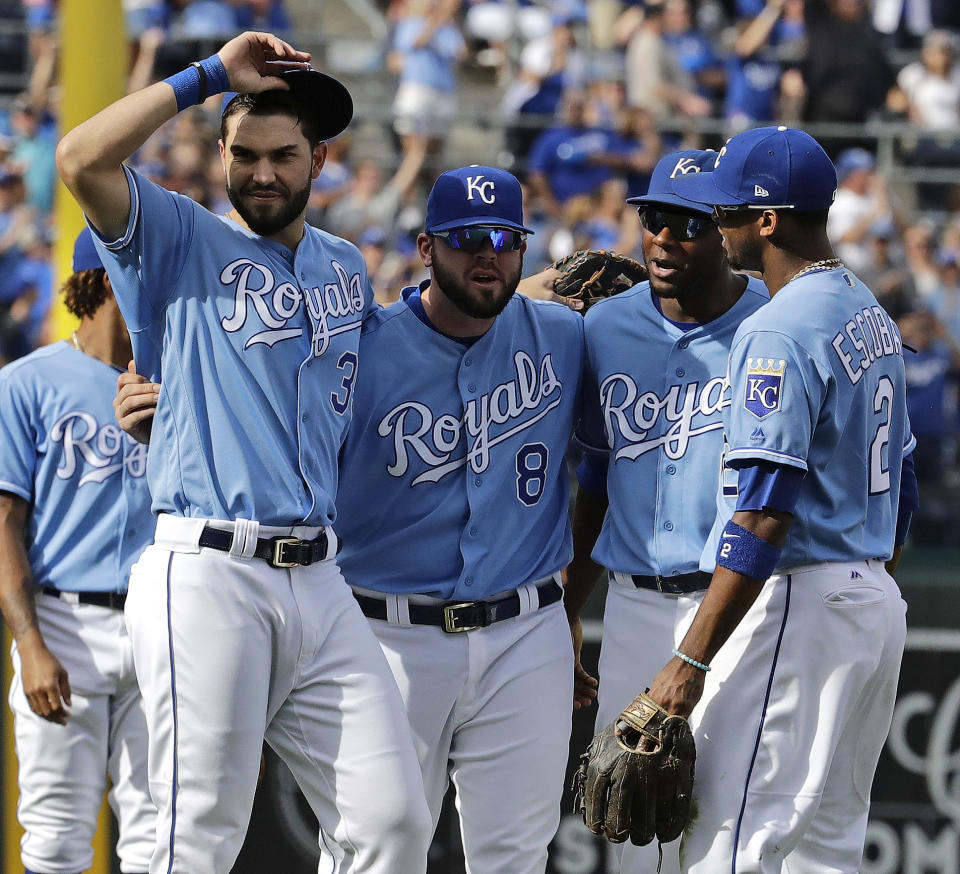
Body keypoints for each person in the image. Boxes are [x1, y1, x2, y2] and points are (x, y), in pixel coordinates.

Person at [55, 31, 431, 874]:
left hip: (320, 578)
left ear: (320, 159)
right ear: (219, 152)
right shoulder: (181, 238)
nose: (264, 172)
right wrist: (207, 79)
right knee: (193, 838)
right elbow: (81, 158)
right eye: (246, 154)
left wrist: (535, 293)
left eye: (283, 155)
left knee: (393, 822)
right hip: (210, 567)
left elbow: (394, 359)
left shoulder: (341, 264)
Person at [639, 125, 918, 873]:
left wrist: (686, 664)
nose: (717, 225)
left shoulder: (777, 331)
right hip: (871, 603)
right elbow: (907, 477)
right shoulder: (866, 307)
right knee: (824, 851)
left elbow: (763, 512)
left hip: (800, 597)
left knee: (730, 846)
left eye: (727, 212)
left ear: (768, 221)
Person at [334, 165, 585, 873]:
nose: (489, 252)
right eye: (467, 237)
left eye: (506, 238)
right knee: (374, 850)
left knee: (515, 858)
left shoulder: (563, 337)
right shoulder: (366, 348)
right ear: (425, 247)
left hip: (525, 631)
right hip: (386, 634)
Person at [564, 149, 769, 874]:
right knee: (631, 824)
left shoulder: (772, 323)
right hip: (631, 605)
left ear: (727, 230)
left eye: (687, 222)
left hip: (738, 603)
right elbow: (598, 471)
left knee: (726, 830)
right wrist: (569, 608)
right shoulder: (605, 326)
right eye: (653, 218)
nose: (663, 238)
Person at [0, 228, 156, 874]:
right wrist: (30, 643)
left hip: (162, 621)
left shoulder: (177, 381)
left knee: (161, 839)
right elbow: (4, 520)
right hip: (64, 621)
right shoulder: (27, 382)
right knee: (56, 841)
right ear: (100, 282)